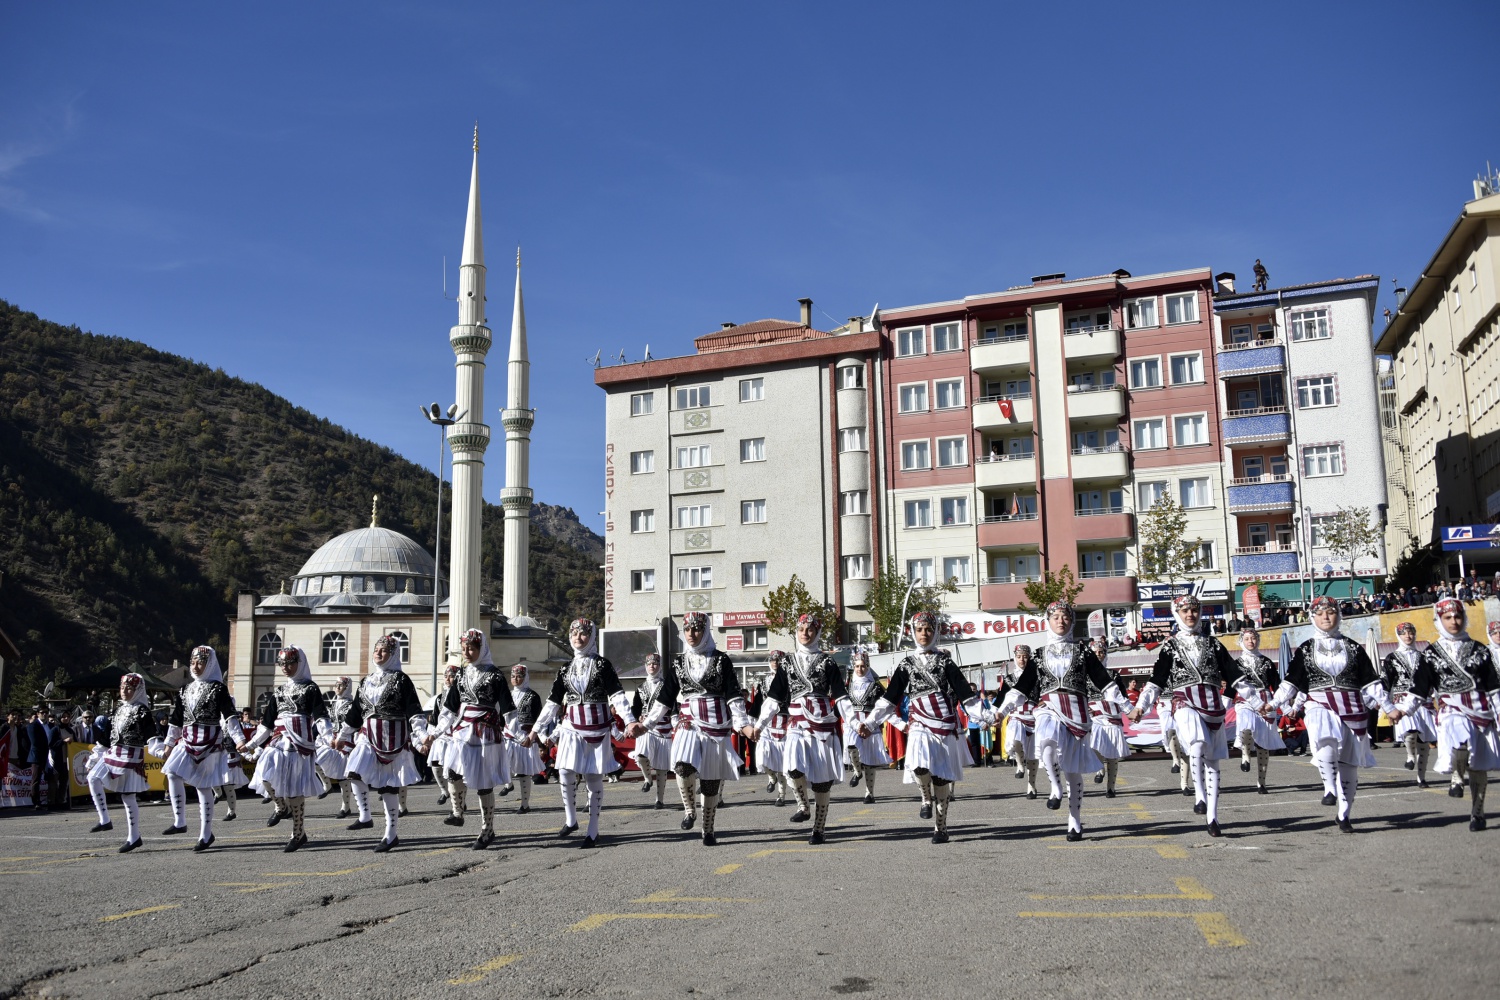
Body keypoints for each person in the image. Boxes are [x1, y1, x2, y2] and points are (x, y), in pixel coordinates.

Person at [1130, 595, 1260, 837]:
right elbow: (1157, 679)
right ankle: (1199, 795)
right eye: (1185, 611)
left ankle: (1213, 817)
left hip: (1212, 704)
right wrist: (1141, 706)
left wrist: (1257, 701)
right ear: (1177, 614)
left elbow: (1233, 674)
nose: (1190, 614)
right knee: (1197, 744)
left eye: (1194, 610)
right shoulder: (1170, 646)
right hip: (1185, 701)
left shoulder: (1213, 644)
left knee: (1213, 762)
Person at [866, 612, 998, 844]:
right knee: (918, 763)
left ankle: (941, 828)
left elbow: (965, 695)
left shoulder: (946, 662)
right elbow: (890, 697)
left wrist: (986, 715)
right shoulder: (907, 664)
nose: (924, 634)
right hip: (919, 722)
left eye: (928, 629)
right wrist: (870, 722)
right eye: (919, 630)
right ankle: (925, 799)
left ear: (935, 632)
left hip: (944, 723)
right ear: (913, 633)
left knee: (941, 779)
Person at [1271, 596, 1397, 833]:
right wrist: (1274, 703)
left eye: (1330, 612)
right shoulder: (1306, 648)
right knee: (1325, 740)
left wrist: (1388, 707)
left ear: (1339, 615)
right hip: (1319, 702)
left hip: (1352, 706)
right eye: (1320, 613)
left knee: (1349, 763)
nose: (1326, 617)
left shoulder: (1353, 647)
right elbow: (1291, 681)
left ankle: (1344, 814)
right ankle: (1329, 788)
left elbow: (1370, 681)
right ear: (1312, 618)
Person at [630, 612, 753, 847]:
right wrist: (646, 725)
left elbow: (733, 694)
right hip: (688, 722)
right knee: (681, 766)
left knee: (710, 782)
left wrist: (742, 724)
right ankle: (689, 811)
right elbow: (665, 699)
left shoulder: (721, 660)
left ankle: (708, 829)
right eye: (687, 629)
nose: (691, 634)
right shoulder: (679, 663)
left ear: (706, 631)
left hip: (716, 724)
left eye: (697, 629)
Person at [998, 603, 1114, 841]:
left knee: (1072, 771)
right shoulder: (1039, 654)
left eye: (1065, 617)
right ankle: (1055, 787)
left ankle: (1074, 821)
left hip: (1076, 712)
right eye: (1056, 617)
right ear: (1047, 621)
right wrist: (1001, 711)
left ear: (1072, 622)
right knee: (1046, 741)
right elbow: (1021, 688)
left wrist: (1131, 707)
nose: (1061, 621)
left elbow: (1104, 681)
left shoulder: (1083, 652)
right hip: (1048, 707)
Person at [523, 619, 638, 848]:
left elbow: (617, 695)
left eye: (584, 633)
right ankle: (571, 819)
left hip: (597, 727)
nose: (578, 637)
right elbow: (552, 702)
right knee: (565, 771)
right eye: (574, 633)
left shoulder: (602, 665)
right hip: (572, 727)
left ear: (592, 636)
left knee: (593, 777)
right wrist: (535, 730)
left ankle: (592, 830)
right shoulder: (565, 668)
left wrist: (630, 720)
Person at [751, 614, 851, 844]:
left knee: (822, 780)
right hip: (796, 723)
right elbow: (774, 698)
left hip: (822, 724)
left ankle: (819, 829)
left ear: (817, 632)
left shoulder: (827, 662)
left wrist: (855, 722)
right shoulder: (787, 663)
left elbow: (841, 696)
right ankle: (803, 806)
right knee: (792, 767)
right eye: (801, 629)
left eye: (810, 629)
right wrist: (759, 725)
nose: (805, 633)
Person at [1403, 599, 1500, 831]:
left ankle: (1478, 813)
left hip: (1481, 712)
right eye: (1448, 617)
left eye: (1457, 616)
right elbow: (1419, 688)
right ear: (1439, 620)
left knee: (1478, 767)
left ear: (1463, 618)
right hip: (1451, 709)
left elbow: (1494, 688)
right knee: (1459, 734)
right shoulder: (1431, 653)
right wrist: (1403, 710)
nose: (1453, 621)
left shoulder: (1480, 650)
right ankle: (1456, 776)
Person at [339, 635, 430, 852]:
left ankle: (390, 835)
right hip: (368, 735)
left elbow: (413, 709)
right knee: (353, 771)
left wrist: (421, 734)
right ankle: (365, 816)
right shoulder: (366, 681)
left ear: (394, 654)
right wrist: (342, 735)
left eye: (384, 650)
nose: (379, 653)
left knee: (389, 787)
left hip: (394, 737)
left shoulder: (401, 680)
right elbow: (355, 713)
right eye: (376, 650)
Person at [430, 629, 515, 850]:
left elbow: (508, 708)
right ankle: (458, 812)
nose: (467, 653)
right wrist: (435, 732)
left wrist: (519, 733)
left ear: (481, 649)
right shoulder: (461, 674)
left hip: (485, 732)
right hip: (462, 731)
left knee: (483, 783)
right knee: (452, 772)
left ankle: (488, 830)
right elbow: (450, 707)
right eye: (464, 649)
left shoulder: (495, 675)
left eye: (471, 649)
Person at [244, 646, 332, 852]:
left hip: (300, 744)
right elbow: (266, 724)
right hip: (278, 740)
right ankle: (280, 806)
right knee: (263, 772)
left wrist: (329, 737)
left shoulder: (310, 688)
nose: (285, 667)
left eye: (289, 663)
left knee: (294, 790)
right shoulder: (279, 691)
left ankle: (298, 833)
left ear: (299, 663)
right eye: (282, 663)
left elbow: (320, 716)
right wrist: (250, 744)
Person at [159, 646, 245, 851]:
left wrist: (239, 739)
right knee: (172, 773)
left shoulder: (218, 688)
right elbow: (176, 719)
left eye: (200, 663)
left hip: (209, 741)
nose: (195, 667)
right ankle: (180, 821)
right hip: (187, 739)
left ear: (210, 664)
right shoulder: (185, 689)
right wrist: (169, 743)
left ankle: (206, 834)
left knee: (203, 786)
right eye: (193, 662)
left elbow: (230, 715)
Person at [85, 674, 155, 852]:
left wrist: (160, 748)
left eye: (129, 688)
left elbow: (151, 733)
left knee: (128, 796)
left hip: (131, 755)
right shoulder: (118, 710)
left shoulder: (142, 711)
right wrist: (95, 756)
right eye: (122, 688)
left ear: (137, 690)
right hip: (114, 752)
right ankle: (105, 820)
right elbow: (108, 737)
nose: (124, 691)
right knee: (93, 777)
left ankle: (134, 837)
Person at [1231, 628, 1285, 795]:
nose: (1251, 641)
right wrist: (1221, 707)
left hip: (1265, 701)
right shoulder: (1236, 663)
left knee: (1263, 744)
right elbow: (1231, 688)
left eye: (1253, 638)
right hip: (1245, 701)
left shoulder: (1267, 662)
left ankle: (1261, 782)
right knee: (1246, 726)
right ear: (1242, 641)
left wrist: (1285, 706)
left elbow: (1277, 685)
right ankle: (1245, 755)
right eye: (1247, 638)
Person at [1383, 622, 1436, 786]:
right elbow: (1386, 680)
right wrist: (1384, 702)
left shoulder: (1423, 657)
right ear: (1398, 635)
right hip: (1401, 699)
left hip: (1422, 699)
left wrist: (1435, 692)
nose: (1408, 636)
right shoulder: (1392, 658)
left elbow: (1432, 677)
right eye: (1404, 633)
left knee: (1424, 743)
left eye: (1411, 632)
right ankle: (1410, 756)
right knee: (1410, 728)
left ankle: (1421, 777)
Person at [1086, 637, 1132, 798]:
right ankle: (1099, 768)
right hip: (1094, 716)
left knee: (1112, 754)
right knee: (1094, 745)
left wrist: (1129, 711)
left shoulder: (1114, 675)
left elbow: (1123, 696)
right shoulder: (1085, 675)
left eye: (1101, 652)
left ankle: (1111, 788)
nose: (1099, 655)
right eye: (1096, 652)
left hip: (1112, 716)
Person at [844, 651, 890, 805]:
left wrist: (876, 722)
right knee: (851, 747)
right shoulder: (848, 685)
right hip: (853, 724)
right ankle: (857, 772)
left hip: (870, 725)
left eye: (863, 666)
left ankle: (869, 794)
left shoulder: (876, 686)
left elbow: (884, 706)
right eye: (857, 666)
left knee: (869, 760)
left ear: (868, 667)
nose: (860, 669)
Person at [629, 653, 674, 808]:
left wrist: (674, 719)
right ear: (645, 666)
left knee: (661, 766)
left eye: (655, 664)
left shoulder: (667, 685)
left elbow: (673, 705)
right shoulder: (641, 687)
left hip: (663, 727)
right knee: (641, 755)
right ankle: (647, 778)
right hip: (645, 727)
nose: (652, 666)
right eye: (649, 664)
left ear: (659, 666)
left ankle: (659, 800)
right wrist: (637, 717)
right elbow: (635, 707)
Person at [1000, 645, 1039, 800]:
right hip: (1016, 715)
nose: (1022, 659)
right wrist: (995, 715)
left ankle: (1031, 786)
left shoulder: (1037, 676)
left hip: (1033, 716)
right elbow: (1001, 699)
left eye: (1025, 657)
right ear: (1014, 658)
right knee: (1015, 740)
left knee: (1033, 755)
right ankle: (1020, 764)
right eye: (1019, 657)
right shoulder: (1009, 679)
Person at [755, 654, 791, 807]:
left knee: (782, 760)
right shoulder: (764, 681)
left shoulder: (790, 679)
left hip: (784, 720)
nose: (774, 662)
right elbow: (759, 701)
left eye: (777, 660)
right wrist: (752, 720)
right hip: (767, 721)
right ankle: (771, 777)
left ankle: (781, 796)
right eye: (772, 660)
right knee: (762, 756)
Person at [428, 664, 460, 808]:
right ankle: (444, 791)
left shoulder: (462, 695)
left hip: (456, 736)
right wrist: (430, 736)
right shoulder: (439, 698)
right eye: (446, 676)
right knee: (435, 763)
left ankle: (458, 801)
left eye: (451, 676)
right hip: (441, 736)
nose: (447, 679)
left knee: (453, 770)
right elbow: (434, 719)